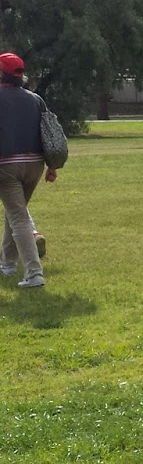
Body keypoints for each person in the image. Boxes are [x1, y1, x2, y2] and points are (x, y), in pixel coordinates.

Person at [0, 52, 58, 288]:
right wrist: (52, 166)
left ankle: (34, 274)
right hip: (35, 165)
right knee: (15, 213)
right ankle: (7, 265)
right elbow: (49, 133)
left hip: (6, 166)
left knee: (17, 217)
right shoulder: (36, 99)